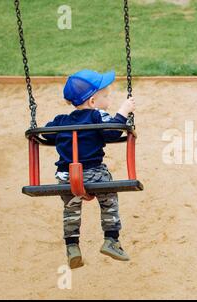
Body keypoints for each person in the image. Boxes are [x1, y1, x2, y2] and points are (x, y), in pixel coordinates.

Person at [43, 70, 135, 268]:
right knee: (109, 196)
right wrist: (123, 112)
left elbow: (45, 136)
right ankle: (111, 239)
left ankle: (72, 246)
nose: (108, 99)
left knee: (71, 209)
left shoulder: (61, 121)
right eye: (106, 96)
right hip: (93, 173)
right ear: (93, 101)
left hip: (66, 176)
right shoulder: (97, 115)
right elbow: (112, 132)